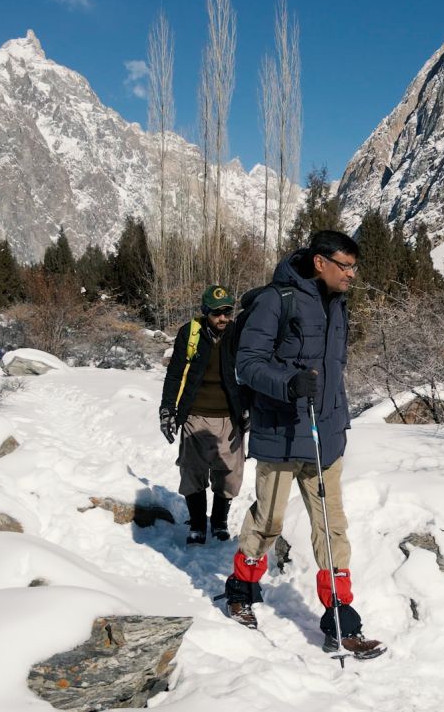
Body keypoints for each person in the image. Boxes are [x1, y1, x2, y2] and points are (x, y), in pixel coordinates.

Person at [222, 230, 384, 659]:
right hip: (280, 433)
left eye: (354, 266)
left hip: (324, 435)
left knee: (332, 529)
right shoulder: (277, 300)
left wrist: (340, 420)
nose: (352, 274)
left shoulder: (338, 304)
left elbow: (334, 369)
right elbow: (248, 364)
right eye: (344, 266)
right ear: (319, 262)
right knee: (269, 522)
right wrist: (288, 383)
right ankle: (241, 589)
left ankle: (341, 620)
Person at [159, 285, 247, 546]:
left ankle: (218, 521)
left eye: (227, 312)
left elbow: (249, 372)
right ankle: (198, 524)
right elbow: (174, 374)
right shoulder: (190, 334)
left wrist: (249, 408)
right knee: (193, 472)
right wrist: (167, 410)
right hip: (195, 415)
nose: (223, 318)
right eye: (217, 313)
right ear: (205, 312)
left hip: (230, 417)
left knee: (229, 474)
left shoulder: (236, 333)